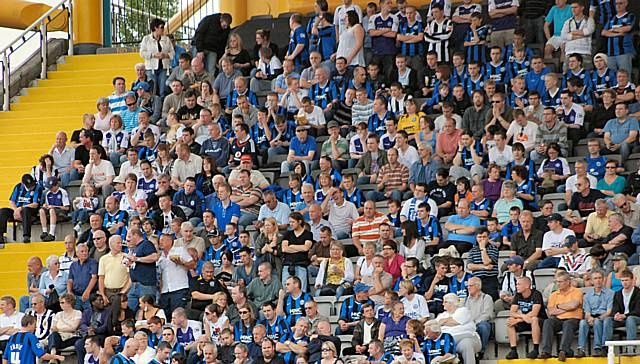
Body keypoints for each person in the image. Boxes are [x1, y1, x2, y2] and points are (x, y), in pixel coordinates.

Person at [538, 271, 583, 361]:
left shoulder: (577, 291)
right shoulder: (554, 294)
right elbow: (551, 311)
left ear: (567, 282)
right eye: (557, 282)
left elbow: (574, 305)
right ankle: (546, 351)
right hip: (558, 319)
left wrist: (558, 306)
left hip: (573, 318)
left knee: (568, 324)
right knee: (548, 322)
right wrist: (567, 307)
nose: (558, 284)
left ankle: (564, 351)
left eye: (560, 282)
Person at [505, 276, 546, 359]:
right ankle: (513, 350)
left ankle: (535, 349)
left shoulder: (536, 294)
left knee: (534, 319)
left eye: (519, 284)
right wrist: (522, 317)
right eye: (516, 284)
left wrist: (518, 320)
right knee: (510, 321)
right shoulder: (518, 295)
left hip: (540, 321)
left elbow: (534, 313)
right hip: (525, 320)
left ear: (527, 285)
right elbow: (511, 312)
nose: (516, 286)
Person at [576, 270, 613, 358]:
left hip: (604, 316)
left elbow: (609, 311)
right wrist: (589, 318)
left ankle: (598, 348)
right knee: (582, 323)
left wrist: (598, 318)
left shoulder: (611, 293)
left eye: (600, 278)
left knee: (598, 322)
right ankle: (581, 349)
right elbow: (587, 312)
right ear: (592, 281)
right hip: (592, 317)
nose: (598, 280)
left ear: (603, 279)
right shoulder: (587, 296)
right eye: (595, 278)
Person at [0, 174, 43, 244]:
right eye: (29, 186)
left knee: (25, 210)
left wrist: (20, 209)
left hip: (30, 210)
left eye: (32, 185)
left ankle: (26, 236)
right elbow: (12, 201)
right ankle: (1, 236)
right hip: (17, 210)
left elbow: (35, 204)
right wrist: (15, 211)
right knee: (3, 211)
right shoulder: (18, 186)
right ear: (23, 184)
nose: (31, 187)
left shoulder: (38, 188)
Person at [603, 269, 640, 343]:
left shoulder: (638, 293)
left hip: (635, 318)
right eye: (622, 281)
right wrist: (616, 314)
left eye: (626, 280)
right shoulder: (618, 293)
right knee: (608, 320)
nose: (624, 283)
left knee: (630, 319)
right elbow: (614, 309)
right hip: (622, 319)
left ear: (632, 280)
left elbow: (638, 311)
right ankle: (607, 347)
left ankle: (631, 348)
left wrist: (625, 316)